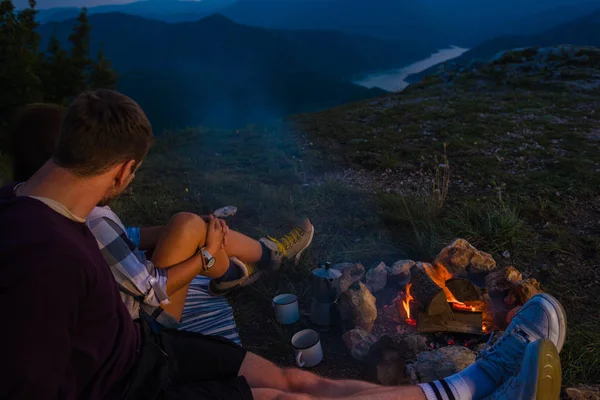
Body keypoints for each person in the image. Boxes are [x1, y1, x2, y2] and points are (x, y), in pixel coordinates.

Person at [0, 89, 564, 400]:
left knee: (299, 379)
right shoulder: (44, 258)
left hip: (148, 352)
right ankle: (476, 386)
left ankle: (476, 383)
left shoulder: (26, 205)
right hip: (132, 386)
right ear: (124, 173)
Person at [8, 102, 314, 327]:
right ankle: (260, 260)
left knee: (188, 225)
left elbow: (123, 240)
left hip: (133, 303)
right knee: (189, 226)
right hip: (144, 325)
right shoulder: (90, 220)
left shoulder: (38, 204)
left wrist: (175, 232)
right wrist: (204, 255)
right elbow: (151, 291)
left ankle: (251, 264)